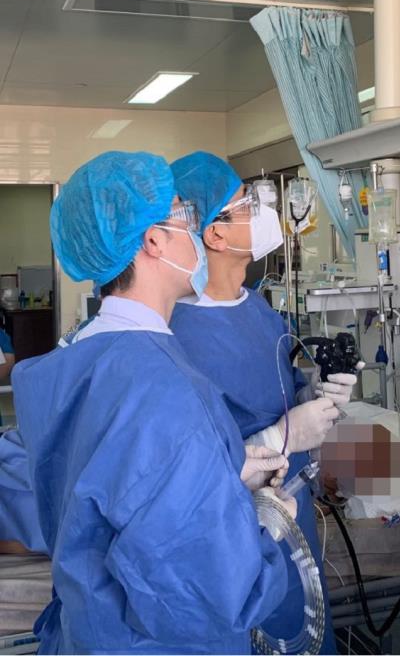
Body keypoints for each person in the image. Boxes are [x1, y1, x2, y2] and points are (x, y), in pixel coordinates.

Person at [10, 151, 294, 654]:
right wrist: (268, 520)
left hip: (86, 634)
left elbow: (108, 492)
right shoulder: (164, 388)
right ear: (154, 241)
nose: (197, 231)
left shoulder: (68, 363)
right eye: (186, 214)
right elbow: (212, 592)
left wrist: (220, 473)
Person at [170, 151, 358, 654]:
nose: (261, 212)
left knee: (305, 631)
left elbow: (278, 391)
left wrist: (317, 396)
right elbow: (186, 469)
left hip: (293, 518)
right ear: (215, 233)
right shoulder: (178, 333)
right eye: (247, 204)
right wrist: (282, 434)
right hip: (239, 530)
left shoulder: (256, 306)